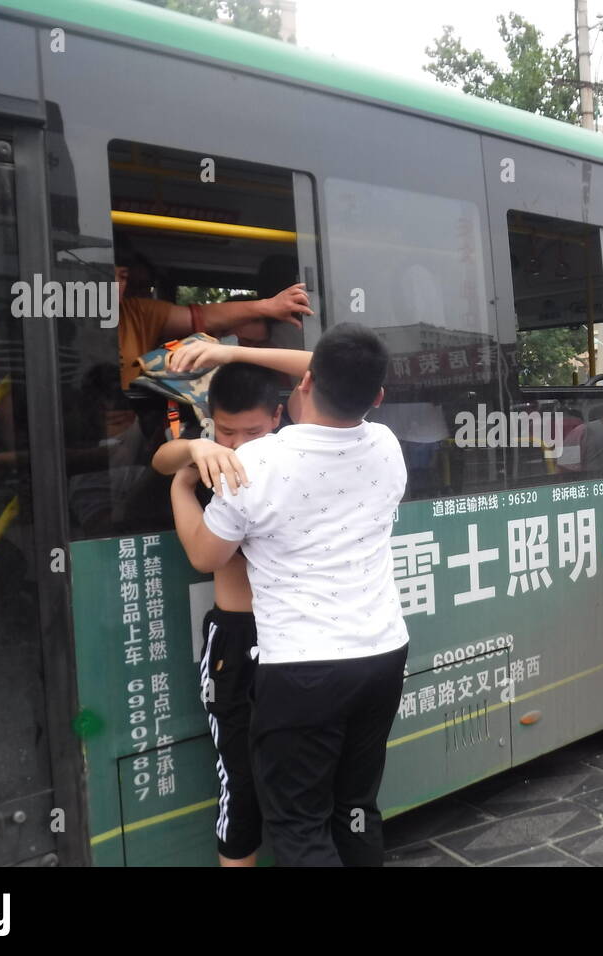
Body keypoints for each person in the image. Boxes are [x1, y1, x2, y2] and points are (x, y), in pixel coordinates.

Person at [167, 324, 408, 866]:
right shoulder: (386, 444)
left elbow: (206, 556)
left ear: (305, 382)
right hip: (383, 655)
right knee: (355, 809)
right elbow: (332, 369)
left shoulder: (255, 464)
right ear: (377, 398)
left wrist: (181, 487)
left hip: (304, 669)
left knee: (300, 828)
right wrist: (231, 353)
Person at [152, 359, 304, 866]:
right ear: (211, 420)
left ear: (280, 416)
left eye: (254, 430)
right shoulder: (213, 454)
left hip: (294, 632)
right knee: (240, 781)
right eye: (226, 430)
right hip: (238, 638)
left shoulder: (299, 448)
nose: (239, 444)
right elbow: (162, 459)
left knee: (303, 773)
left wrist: (221, 351)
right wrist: (195, 449)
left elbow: (323, 366)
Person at [113, 240, 313, 389]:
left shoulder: (138, 312)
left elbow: (317, 367)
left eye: (123, 277)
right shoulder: (195, 373)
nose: (117, 286)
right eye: (239, 341)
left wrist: (267, 306)